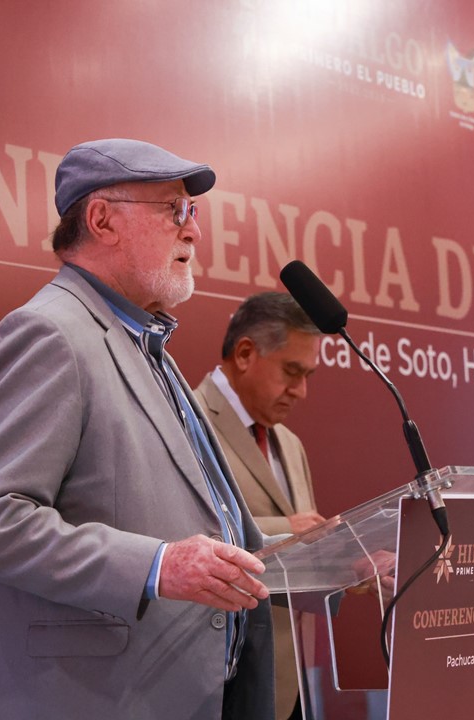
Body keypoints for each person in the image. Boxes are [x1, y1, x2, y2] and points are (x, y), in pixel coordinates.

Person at [0, 138, 274, 720]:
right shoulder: (49, 335)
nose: (194, 230)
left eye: (192, 211)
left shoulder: (144, 343)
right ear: (102, 221)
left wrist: (336, 561)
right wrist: (157, 566)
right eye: (175, 210)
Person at [194, 291, 327, 720]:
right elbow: (180, 534)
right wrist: (288, 527)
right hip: (217, 681)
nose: (302, 391)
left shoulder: (290, 442)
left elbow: (300, 552)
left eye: (308, 375)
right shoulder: (185, 422)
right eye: (292, 371)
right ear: (246, 354)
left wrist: (347, 565)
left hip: (289, 684)